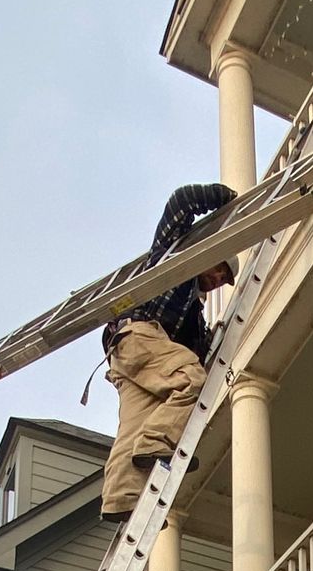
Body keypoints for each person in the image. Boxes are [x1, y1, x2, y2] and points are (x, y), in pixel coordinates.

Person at [99, 182, 236, 519]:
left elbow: (198, 350)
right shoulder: (174, 258)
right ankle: (156, 441)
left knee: (132, 430)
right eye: (219, 267)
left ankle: (119, 500)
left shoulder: (193, 318)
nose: (218, 278)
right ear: (205, 253)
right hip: (138, 335)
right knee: (191, 377)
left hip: (132, 357)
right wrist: (227, 202)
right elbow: (182, 201)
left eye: (225, 278)